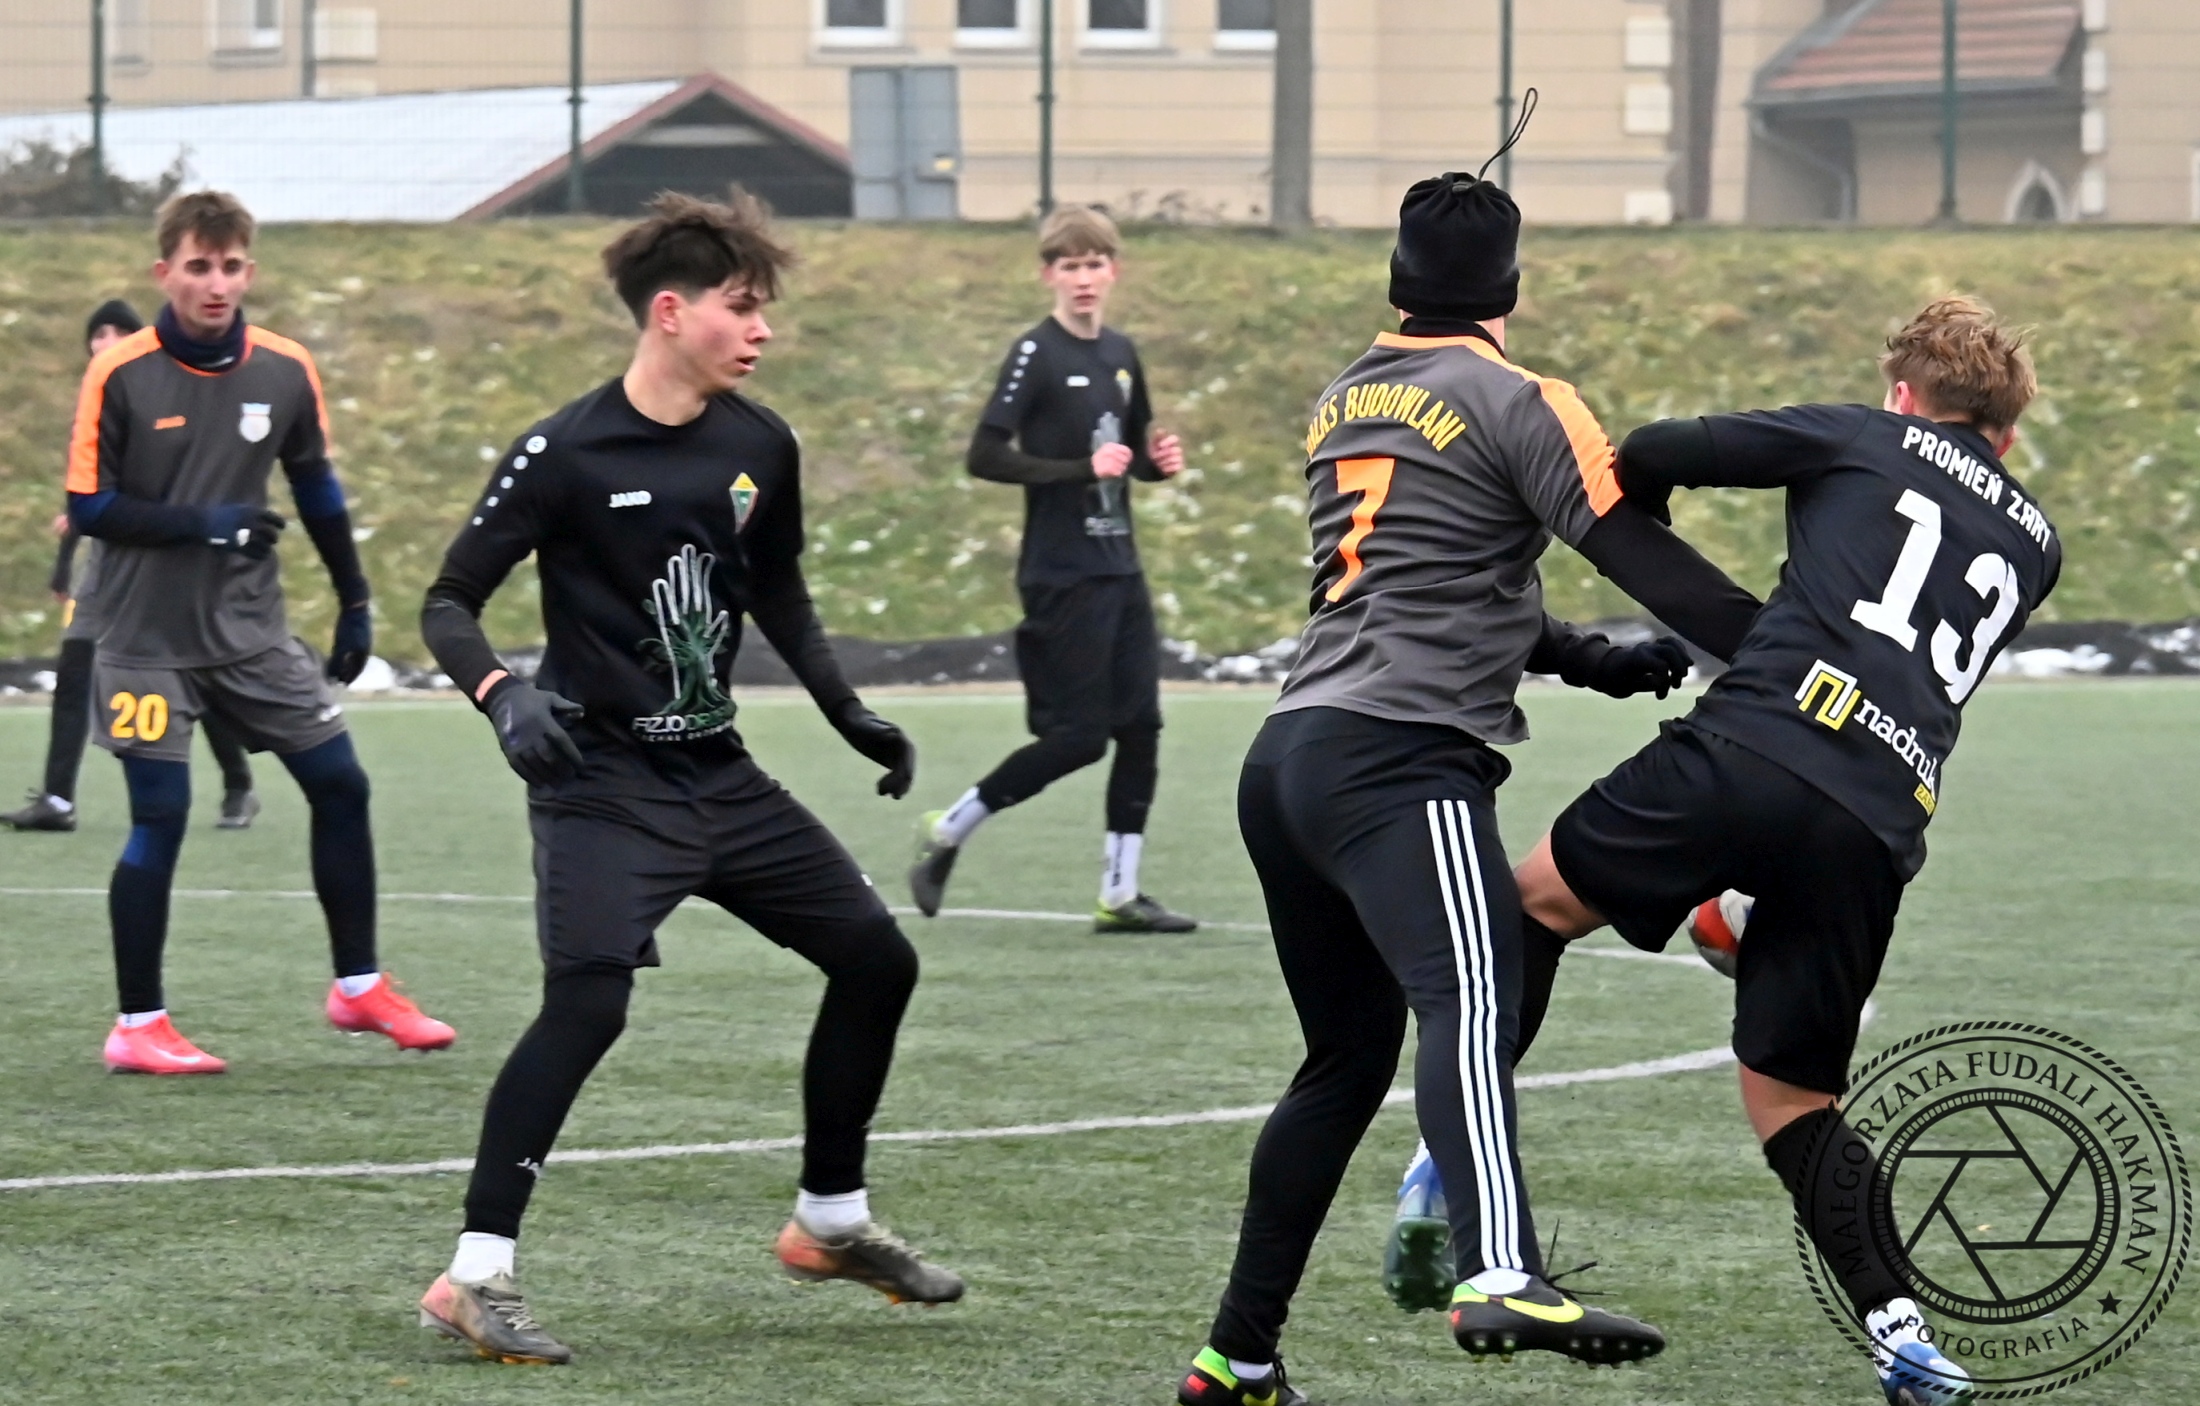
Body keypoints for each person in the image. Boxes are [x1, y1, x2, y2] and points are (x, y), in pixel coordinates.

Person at [1174, 141, 1776, 1406]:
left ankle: (1237, 1357)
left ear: (1397, 280)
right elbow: (1638, 552)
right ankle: (1498, 1265)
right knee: (1477, 988)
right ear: (1510, 285)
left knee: (1341, 1064)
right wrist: (1792, 653)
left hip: (1289, 758)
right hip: (1398, 759)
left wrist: (1587, 659)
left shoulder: (1345, 396)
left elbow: (1425, 578)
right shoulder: (1521, 397)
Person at [414, 192, 961, 1366]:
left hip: (719, 773)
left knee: (878, 959)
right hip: (601, 782)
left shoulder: (759, 442)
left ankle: (829, 1220)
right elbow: (449, 601)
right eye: (741, 306)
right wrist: (503, 694)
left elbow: (777, 586)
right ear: (670, 312)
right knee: (590, 1001)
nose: (761, 330)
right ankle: (475, 1272)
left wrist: (845, 706)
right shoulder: (564, 451)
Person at [1510, 296, 2055, 1406]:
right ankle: (1906, 1338)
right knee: (1796, 1104)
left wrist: (1645, 509)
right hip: (1879, 814)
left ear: (1902, 392)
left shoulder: (1865, 431)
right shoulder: (2037, 544)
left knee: (1531, 905)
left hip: (1759, 741)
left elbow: (1658, 447)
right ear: (2004, 431)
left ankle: (1447, 1168)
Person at [64, 192, 452, 1074]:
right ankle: (138, 1025)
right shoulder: (119, 371)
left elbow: (315, 485)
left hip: (250, 633)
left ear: (249, 272)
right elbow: (89, 507)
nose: (216, 283)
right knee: (161, 816)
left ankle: (359, 989)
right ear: (165, 272)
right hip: (142, 642)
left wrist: (355, 600)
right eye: (198, 266)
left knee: (341, 784)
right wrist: (205, 524)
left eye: (231, 266)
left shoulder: (284, 368)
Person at [907, 205, 1197, 934]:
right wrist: (1077, 469)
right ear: (1048, 275)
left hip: (1120, 566)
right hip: (1062, 571)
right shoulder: (1035, 353)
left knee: (1143, 728)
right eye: (1070, 266)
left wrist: (1157, 465)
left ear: (1114, 271)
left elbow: (1129, 453)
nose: (1084, 278)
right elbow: (984, 455)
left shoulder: (1122, 353)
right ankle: (950, 828)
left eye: (1095, 264)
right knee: (1078, 738)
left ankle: (1120, 894)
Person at [6, 300, 261, 835]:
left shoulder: (171, 395)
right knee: (76, 670)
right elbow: (84, 498)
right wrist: (63, 566)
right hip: (107, 563)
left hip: (167, 559)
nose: (105, 342)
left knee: (192, 673)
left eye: (117, 332)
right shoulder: (95, 404)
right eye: (97, 333)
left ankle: (238, 783)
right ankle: (57, 799)